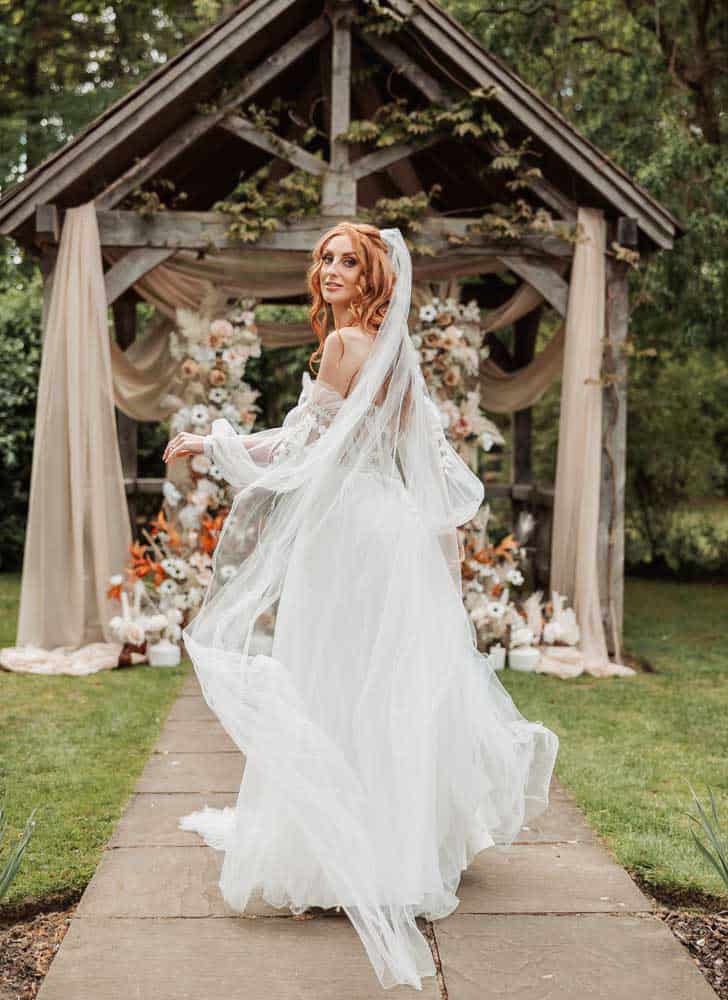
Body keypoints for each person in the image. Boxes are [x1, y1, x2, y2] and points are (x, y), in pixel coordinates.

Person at [164, 223, 559, 992]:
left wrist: (212, 442)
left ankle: (337, 853)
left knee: (334, 681)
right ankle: (400, 851)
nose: (333, 270)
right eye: (327, 259)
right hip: (393, 536)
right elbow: (401, 454)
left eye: (350, 261)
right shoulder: (399, 354)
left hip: (346, 536)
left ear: (375, 275)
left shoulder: (348, 345)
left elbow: (299, 448)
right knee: (384, 690)